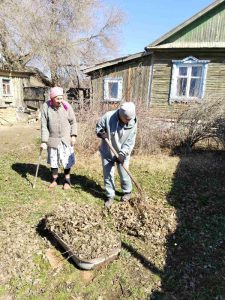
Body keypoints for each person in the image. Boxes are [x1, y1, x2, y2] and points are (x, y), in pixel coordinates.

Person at [96, 102, 137, 208]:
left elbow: (130, 141)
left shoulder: (133, 122)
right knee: (108, 174)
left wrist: (123, 154)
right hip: (107, 151)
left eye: (130, 119)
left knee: (124, 173)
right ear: (121, 115)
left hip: (122, 153)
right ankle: (110, 196)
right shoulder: (108, 117)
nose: (129, 121)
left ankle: (127, 192)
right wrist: (100, 132)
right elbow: (99, 126)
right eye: (127, 119)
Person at [40, 86, 77, 189]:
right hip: (52, 139)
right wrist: (44, 141)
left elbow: (73, 122)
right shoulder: (46, 107)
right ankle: (55, 179)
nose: (60, 101)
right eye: (58, 98)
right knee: (53, 161)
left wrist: (73, 135)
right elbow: (44, 125)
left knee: (67, 161)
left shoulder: (66, 106)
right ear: (52, 98)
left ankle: (67, 180)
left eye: (61, 98)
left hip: (65, 138)